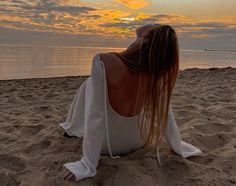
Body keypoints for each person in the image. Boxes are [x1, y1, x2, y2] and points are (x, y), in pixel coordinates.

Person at [60, 24, 201, 182]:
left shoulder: (105, 61)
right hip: (139, 140)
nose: (137, 34)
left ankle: (73, 125)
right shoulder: (158, 72)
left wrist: (88, 163)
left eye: (140, 36)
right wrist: (177, 146)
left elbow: (96, 116)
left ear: (144, 41)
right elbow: (166, 115)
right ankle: (73, 125)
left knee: (89, 83)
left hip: (106, 146)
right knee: (90, 83)